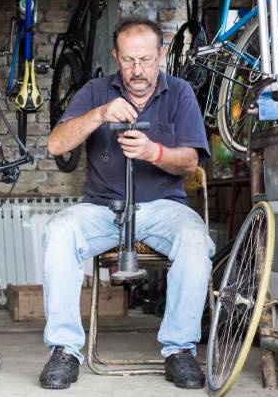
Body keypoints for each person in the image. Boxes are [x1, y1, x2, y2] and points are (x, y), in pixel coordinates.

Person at [39, 19, 215, 390]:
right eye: (129, 60)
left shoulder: (180, 93)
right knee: (59, 230)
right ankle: (65, 349)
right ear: (116, 56)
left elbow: (190, 162)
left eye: (146, 60)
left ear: (161, 55)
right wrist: (99, 114)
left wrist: (155, 152)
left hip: (162, 208)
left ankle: (179, 349)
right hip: (103, 209)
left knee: (195, 238)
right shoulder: (95, 91)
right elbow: (56, 145)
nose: (137, 70)